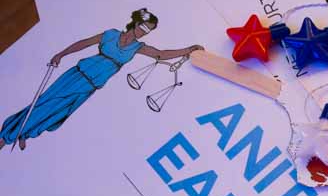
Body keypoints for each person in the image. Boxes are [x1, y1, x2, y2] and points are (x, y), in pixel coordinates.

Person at [0, 8, 202, 150]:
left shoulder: (138, 47)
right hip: (78, 75)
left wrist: (189, 49)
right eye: (144, 26)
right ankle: (8, 134)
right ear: (136, 22)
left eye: (149, 30)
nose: (144, 31)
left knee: (59, 114)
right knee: (45, 103)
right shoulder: (111, 34)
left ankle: (25, 133)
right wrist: (60, 54)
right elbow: (83, 43)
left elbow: (161, 54)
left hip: (92, 85)